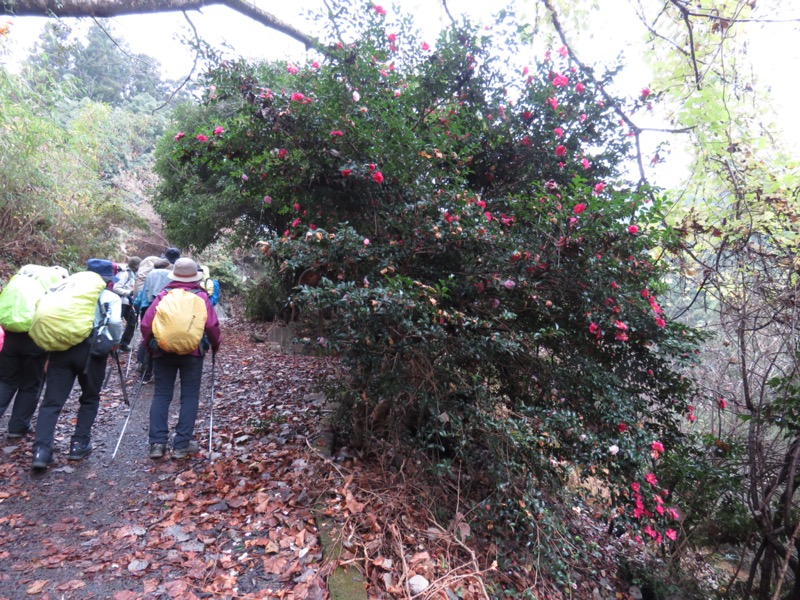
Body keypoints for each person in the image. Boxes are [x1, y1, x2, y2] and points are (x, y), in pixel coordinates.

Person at [31, 259, 122, 469]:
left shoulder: (67, 291)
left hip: (61, 348)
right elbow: (116, 323)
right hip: (92, 352)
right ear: (107, 279)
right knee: (89, 398)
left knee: (51, 402)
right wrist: (115, 343)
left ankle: (41, 452)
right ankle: (78, 444)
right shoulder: (110, 297)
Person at [141, 258, 220, 460]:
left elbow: (147, 323)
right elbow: (211, 326)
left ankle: (157, 444)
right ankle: (181, 444)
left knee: (161, 395)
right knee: (190, 396)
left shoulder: (163, 295)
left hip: (162, 351)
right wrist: (215, 344)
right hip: (192, 352)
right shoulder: (201, 297)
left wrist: (149, 346)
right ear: (196, 277)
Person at [0, 265, 69, 439]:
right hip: (34, 336)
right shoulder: (54, 283)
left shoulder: (24, 275)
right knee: (30, 384)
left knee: (6, 381)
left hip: (10, 334)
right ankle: (17, 427)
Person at [133, 258, 172, 382]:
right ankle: (163, 371)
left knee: (149, 339)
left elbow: (143, 293)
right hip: (165, 308)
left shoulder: (150, 275)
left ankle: (145, 373)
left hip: (148, 308)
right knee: (165, 337)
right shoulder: (169, 275)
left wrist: (137, 305)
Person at [113, 256, 140, 351]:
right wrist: (128, 293)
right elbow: (115, 287)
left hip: (128, 302)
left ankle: (124, 344)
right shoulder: (124, 273)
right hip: (120, 302)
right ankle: (114, 346)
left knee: (133, 322)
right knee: (117, 323)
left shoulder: (133, 273)